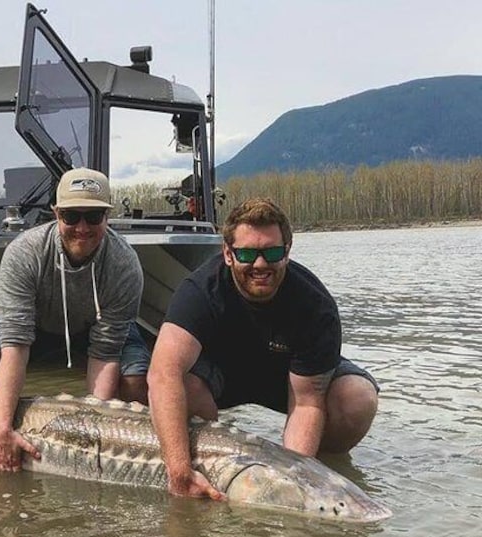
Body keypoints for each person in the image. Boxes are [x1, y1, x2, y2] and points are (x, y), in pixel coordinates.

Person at [147, 197, 379, 499]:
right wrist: (177, 470)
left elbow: (308, 403)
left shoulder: (314, 304)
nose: (260, 264)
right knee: (180, 388)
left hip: (285, 378)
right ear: (228, 254)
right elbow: (163, 374)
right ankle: (202, 469)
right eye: (246, 253)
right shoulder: (200, 291)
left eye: (271, 252)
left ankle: (321, 468)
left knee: (357, 399)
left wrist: (294, 482)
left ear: (286, 252)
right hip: (222, 376)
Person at [0, 167, 150, 473]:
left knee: (136, 380)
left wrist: (93, 434)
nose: (82, 227)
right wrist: (1, 429)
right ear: (56, 214)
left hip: (93, 325)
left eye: (93, 217)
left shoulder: (124, 264)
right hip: (34, 325)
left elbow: (104, 353)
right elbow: (15, 346)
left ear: (107, 216)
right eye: (71, 216)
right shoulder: (24, 252)